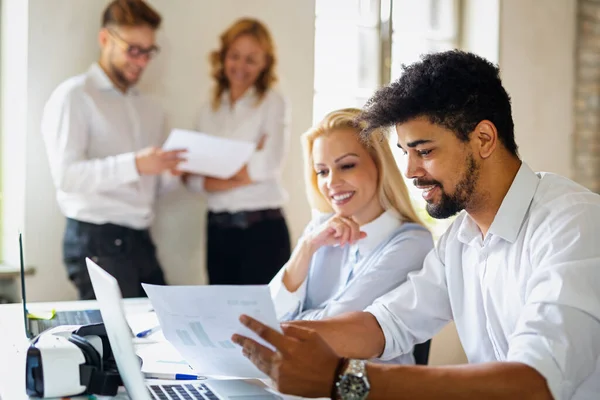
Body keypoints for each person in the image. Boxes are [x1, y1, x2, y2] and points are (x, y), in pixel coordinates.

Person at [232, 50, 600, 400]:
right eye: (405, 153)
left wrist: (344, 381)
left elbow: (532, 383)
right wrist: (260, 339)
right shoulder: (461, 238)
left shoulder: (574, 225)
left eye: (424, 152)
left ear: (484, 139)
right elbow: (387, 323)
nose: (409, 171)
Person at [41, 0, 185, 300]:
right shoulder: (75, 96)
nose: (142, 61)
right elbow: (67, 177)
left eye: (148, 51)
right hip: (96, 240)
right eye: (134, 49)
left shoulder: (150, 109)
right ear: (105, 39)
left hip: (140, 239)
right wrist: (135, 164)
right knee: (115, 344)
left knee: (163, 332)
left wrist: (170, 173)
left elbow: (149, 188)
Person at [269, 108, 432, 364]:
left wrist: (282, 323)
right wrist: (307, 247)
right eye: (322, 171)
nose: (331, 183)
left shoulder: (411, 243)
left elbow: (331, 331)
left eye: (346, 166)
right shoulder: (320, 230)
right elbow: (268, 313)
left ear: (379, 165)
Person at [186, 18, 291, 285]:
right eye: (234, 56)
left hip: (262, 232)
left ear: (264, 63)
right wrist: (243, 165)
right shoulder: (208, 110)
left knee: (262, 322)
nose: (240, 66)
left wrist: (214, 173)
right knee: (221, 318)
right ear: (223, 57)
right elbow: (190, 177)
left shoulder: (272, 102)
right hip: (218, 231)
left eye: (251, 59)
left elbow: (268, 164)